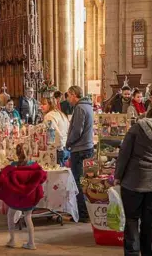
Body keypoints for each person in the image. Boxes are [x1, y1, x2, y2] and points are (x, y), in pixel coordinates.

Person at [114, 108, 152, 256]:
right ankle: (150, 253)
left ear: (146, 116)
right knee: (150, 222)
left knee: (131, 220)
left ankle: (132, 253)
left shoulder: (137, 129)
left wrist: (118, 176)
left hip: (133, 182)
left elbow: (124, 154)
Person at [0, 143, 47, 250]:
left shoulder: (11, 167)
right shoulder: (35, 167)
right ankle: (31, 242)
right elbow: (42, 178)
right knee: (28, 217)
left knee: (10, 215)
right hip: (30, 198)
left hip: (15, 198)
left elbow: (0, 177)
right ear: (31, 153)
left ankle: (12, 240)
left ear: (17, 153)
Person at [65, 86, 93, 222]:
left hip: (80, 149)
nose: (67, 99)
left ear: (74, 94)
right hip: (86, 148)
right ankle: (84, 212)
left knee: (78, 182)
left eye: (68, 95)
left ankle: (83, 214)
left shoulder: (80, 108)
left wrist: (68, 143)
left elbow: (77, 130)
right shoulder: (87, 106)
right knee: (84, 181)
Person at [41, 97, 70, 166]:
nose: (41, 106)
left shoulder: (49, 116)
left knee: (57, 175)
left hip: (58, 150)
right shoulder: (60, 113)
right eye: (41, 104)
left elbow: (53, 135)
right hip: (66, 148)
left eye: (44, 104)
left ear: (50, 105)